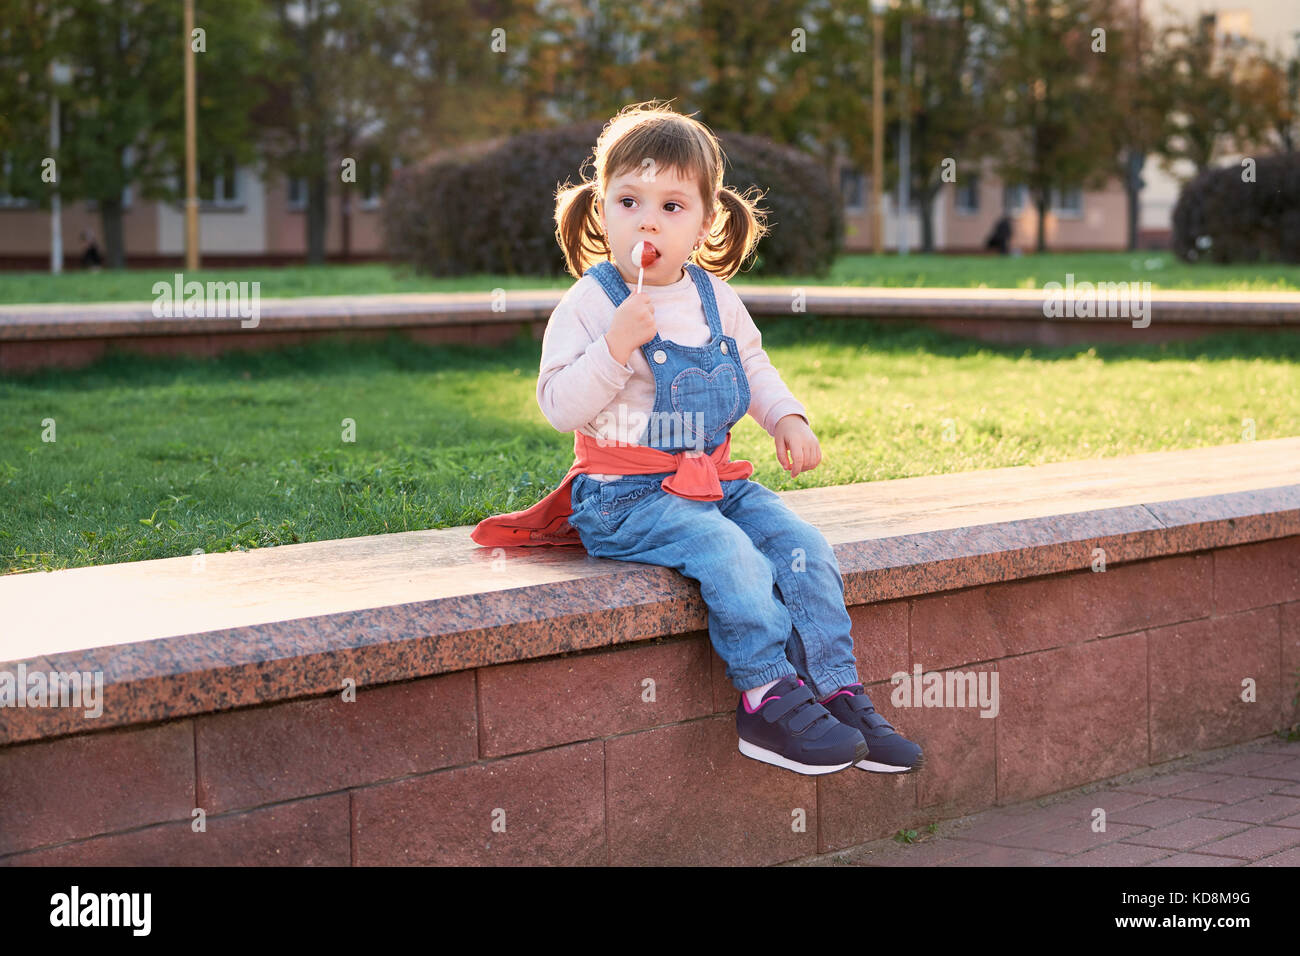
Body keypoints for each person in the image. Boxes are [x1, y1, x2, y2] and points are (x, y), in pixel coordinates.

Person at [471, 100, 923, 777]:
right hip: (625, 496)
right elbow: (559, 406)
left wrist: (788, 419)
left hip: (715, 483)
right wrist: (615, 348)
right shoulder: (591, 304)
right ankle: (767, 699)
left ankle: (834, 689)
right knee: (728, 554)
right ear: (602, 210)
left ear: (707, 222)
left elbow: (755, 368)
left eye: (672, 206)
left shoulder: (715, 299)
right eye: (629, 199)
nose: (647, 219)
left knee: (803, 548)